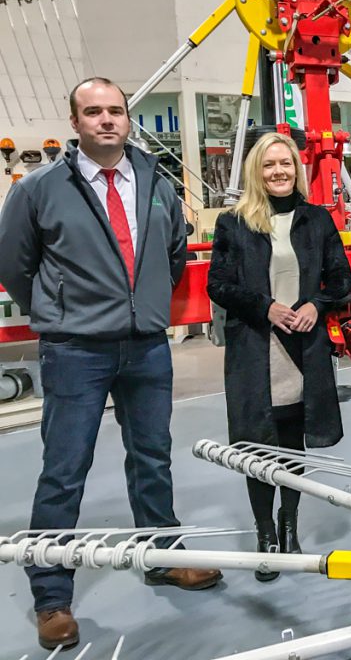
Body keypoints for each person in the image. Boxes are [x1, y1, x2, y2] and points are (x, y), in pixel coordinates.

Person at [0, 77, 222, 651]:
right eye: (92, 112)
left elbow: (174, 251)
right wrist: (60, 311)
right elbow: (17, 265)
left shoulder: (153, 180)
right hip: (75, 349)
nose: (106, 120)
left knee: (151, 458)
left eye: (115, 111)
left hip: (147, 343)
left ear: (128, 119)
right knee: (64, 469)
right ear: (74, 123)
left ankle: (162, 557)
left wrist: (143, 305)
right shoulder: (39, 188)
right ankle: (51, 594)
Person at [207, 132, 351, 578]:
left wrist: (316, 304)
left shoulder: (317, 220)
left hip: (303, 349)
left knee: (292, 443)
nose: (278, 172)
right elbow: (220, 284)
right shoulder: (234, 222)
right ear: (257, 171)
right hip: (258, 347)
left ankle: (290, 526)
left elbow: (341, 279)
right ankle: (264, 531)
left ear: (297, 168)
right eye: (269, 165)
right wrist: (265, 307)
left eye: (285, 164)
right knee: (257, 444)